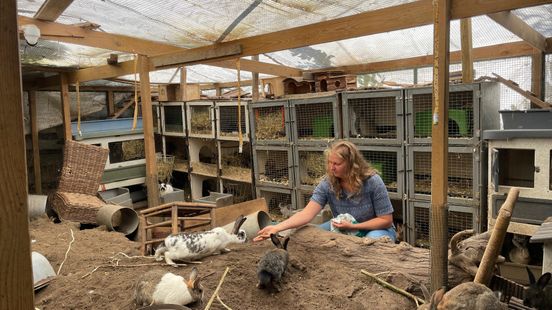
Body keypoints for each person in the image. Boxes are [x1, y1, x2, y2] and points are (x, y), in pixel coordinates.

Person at [254, 140, 396, 242]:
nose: (331, 167)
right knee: (309, 235)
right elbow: (306, 214)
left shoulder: (372, 181)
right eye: (329, 163)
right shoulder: (328, 183)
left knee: (371, 244)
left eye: (337, 164)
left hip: (375, 229)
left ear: (352, 164)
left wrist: (355, 226)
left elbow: (386, 220)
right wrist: (277, 228)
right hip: (342, 227)